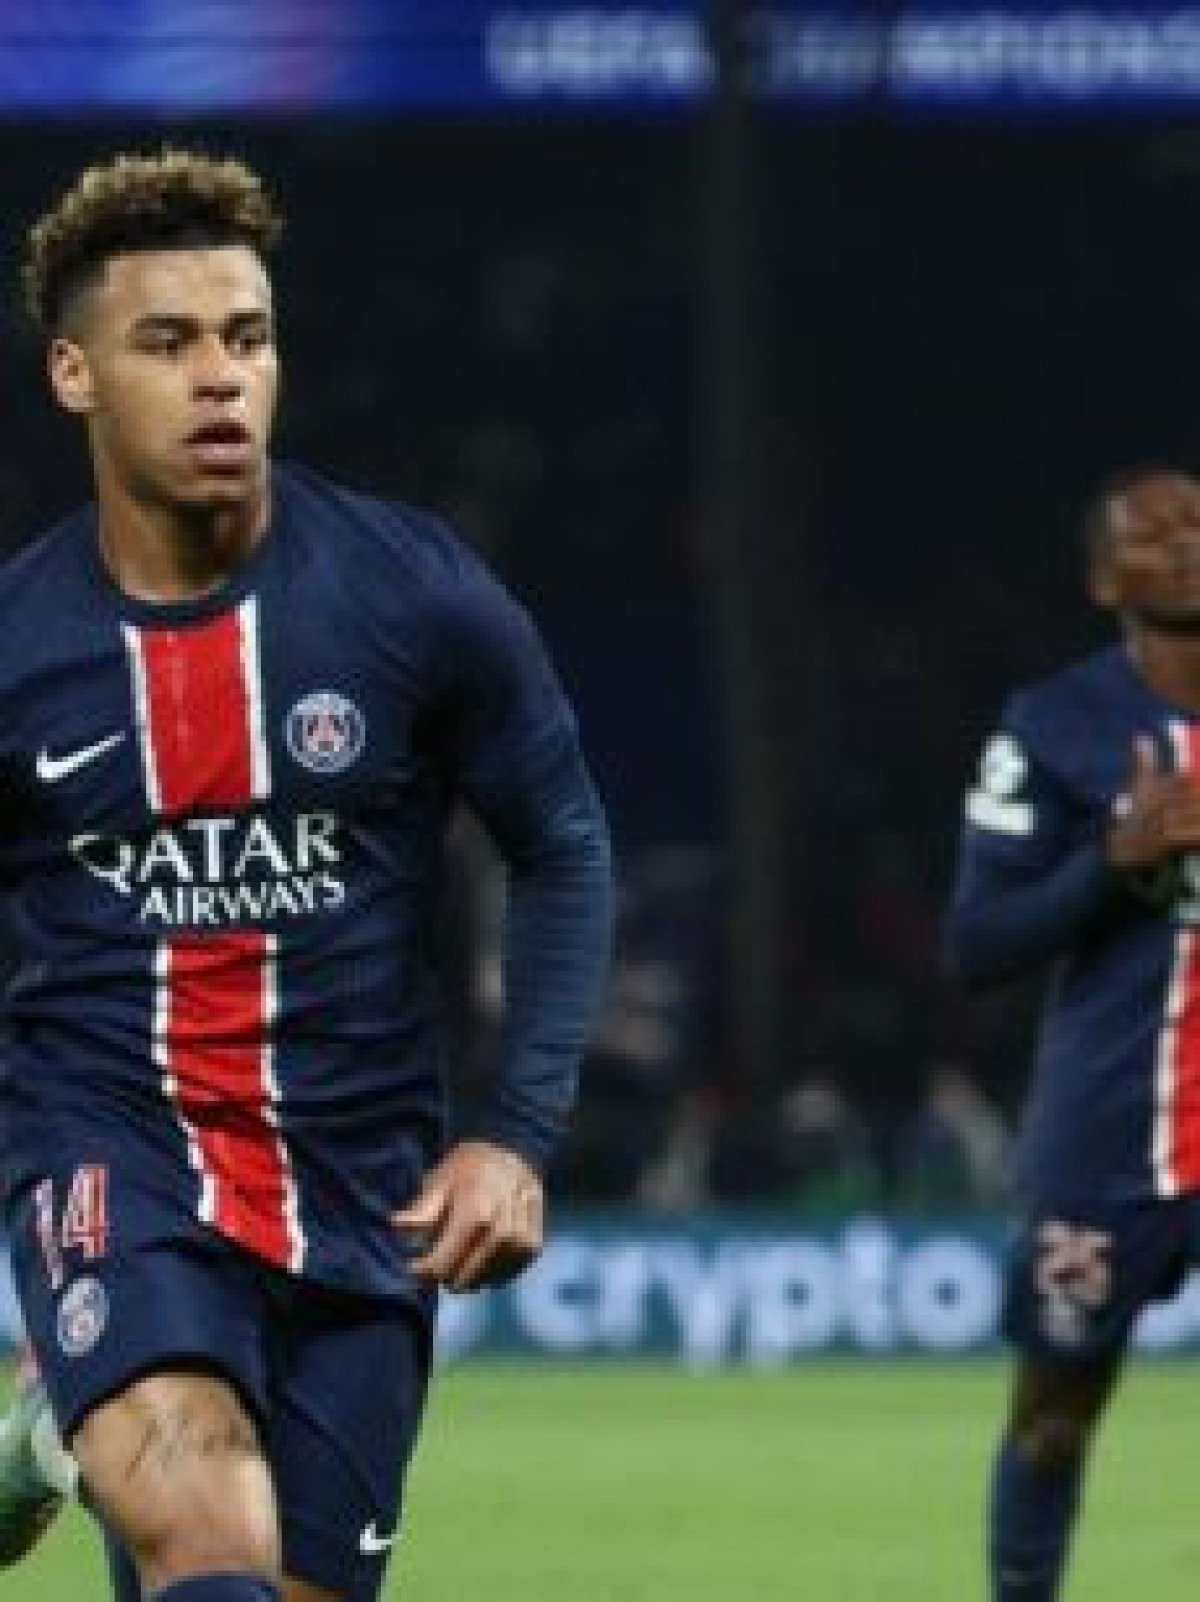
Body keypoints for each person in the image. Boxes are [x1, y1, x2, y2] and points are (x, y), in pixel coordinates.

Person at [0, 148, 614, 1602]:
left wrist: (516, 1133)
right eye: (168, 343)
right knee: (210, 1534)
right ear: (76, 374)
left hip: (358, 1191)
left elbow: (562, 843)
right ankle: (94, 1411)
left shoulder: (414, 594)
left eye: (248, 337)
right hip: (114, 1143)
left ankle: (46, 1439)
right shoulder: (19, 647)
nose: (221, 377)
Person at [945, 465, 1200, 1601]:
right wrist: (1113, 861)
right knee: (1054, 1417)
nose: (1187, 542)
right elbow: (978, 943)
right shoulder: (1055, 727)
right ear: (1107, 582)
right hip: (1109, 1135)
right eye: (1155, 533)